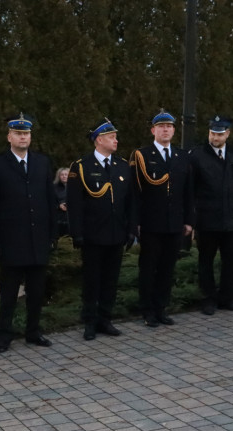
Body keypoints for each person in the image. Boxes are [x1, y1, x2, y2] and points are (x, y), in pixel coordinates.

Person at [0, 113, 59, 353]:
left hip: (37, 240)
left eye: (26, 133)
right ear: (9, 137)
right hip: (11, 241)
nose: (23, 137)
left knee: (36, 292)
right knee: (8, 294)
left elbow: (50, 199)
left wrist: (52, 234)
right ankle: (4, 335)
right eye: (18, 133)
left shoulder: (41, 162)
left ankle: (33, 332)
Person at [66, 118, 135, 340]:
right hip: (92, 235)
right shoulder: (81, 167)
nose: (116, 140)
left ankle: (105, 319)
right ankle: (89, 322)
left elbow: (130, 202)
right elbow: (75, 204)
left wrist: (130, 229)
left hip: (116, 234)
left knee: (110, 280)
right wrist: (76, 232)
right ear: (99, 140)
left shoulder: (122, 165)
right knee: (92, 281)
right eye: (112, 137)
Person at [131, 109, 194, 326]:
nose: (165, 130)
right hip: (150, 223)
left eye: (169, 126)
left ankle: (161, 308)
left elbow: (188, 191)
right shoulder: (142, 155)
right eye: (161, 126)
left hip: (174, 222)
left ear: (174, 130)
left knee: (167, 268)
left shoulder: (182, 156)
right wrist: (135, 221)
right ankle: (147, 310)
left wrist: (188, 220)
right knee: (148, 268)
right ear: (153, 130)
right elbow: (135, 192)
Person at [188, 115, 233, 315]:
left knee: (231, 260)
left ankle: (227, 298)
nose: (215, 137)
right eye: (213, 133)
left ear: (227, 134)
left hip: (231, 218)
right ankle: (208, 299)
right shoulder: (197, 155)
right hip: (207, 219)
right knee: (206, 261)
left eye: (220, 134)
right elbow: (190, 189)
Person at [54, 167, 70, 237]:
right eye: (62, 175)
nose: (64, 176)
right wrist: (59, 205)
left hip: (71, 218)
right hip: (58, 218)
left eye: (66, 174)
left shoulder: (76, 187)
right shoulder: (53, 187)